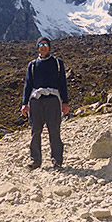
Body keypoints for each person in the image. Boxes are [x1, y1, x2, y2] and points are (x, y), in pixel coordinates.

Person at [21, 36, 70, 169]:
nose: (43, 47)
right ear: (38, 47)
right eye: (41, 45)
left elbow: (62, 83)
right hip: (36, 101)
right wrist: (24, 104)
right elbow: (28, 85)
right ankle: (35, 160)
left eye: (45, 44)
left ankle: (57, 160)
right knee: (35, 130)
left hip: (53, 100)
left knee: (54, 130)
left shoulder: (57, 63)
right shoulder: (32, 65)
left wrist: (65, 102)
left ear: (49, 47)